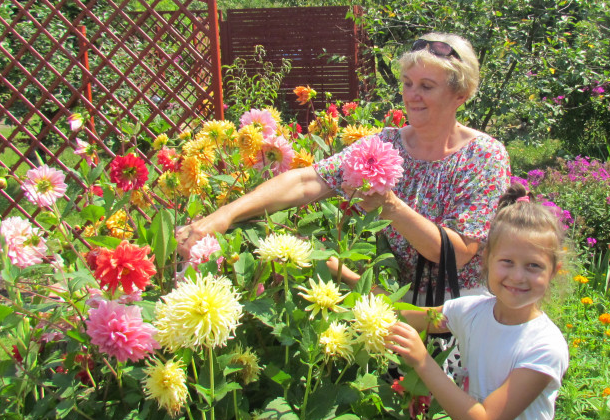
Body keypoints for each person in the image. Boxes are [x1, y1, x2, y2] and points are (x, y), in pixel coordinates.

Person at [176, 33, 510, 302]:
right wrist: (224, 216)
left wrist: (391, 207)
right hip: (390, 298)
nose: (412, 96)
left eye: (427, 86)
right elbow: (307, 180)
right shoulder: (386, 144)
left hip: (461, 307)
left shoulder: (483, 156)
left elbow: (458, 253)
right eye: (408, 83)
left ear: (461, 94)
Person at [386, 186, 590, 420]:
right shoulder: (473, 311)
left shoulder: (543, 346)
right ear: (487, 262)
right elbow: (414, 317)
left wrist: (422, 361)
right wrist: (352, 296)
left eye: (534, 266)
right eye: (506, 262)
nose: (517, 276)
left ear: (554, 272)